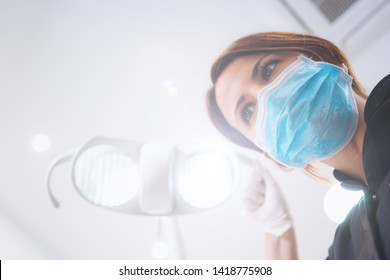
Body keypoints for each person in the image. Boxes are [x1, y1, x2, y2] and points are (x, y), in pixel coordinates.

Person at [206, 32, 390, 259]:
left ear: (322, 57)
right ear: (273, 156)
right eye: (248, 111)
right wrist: (279, 232)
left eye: (268, 69)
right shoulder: (349, 246)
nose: (267, 97)